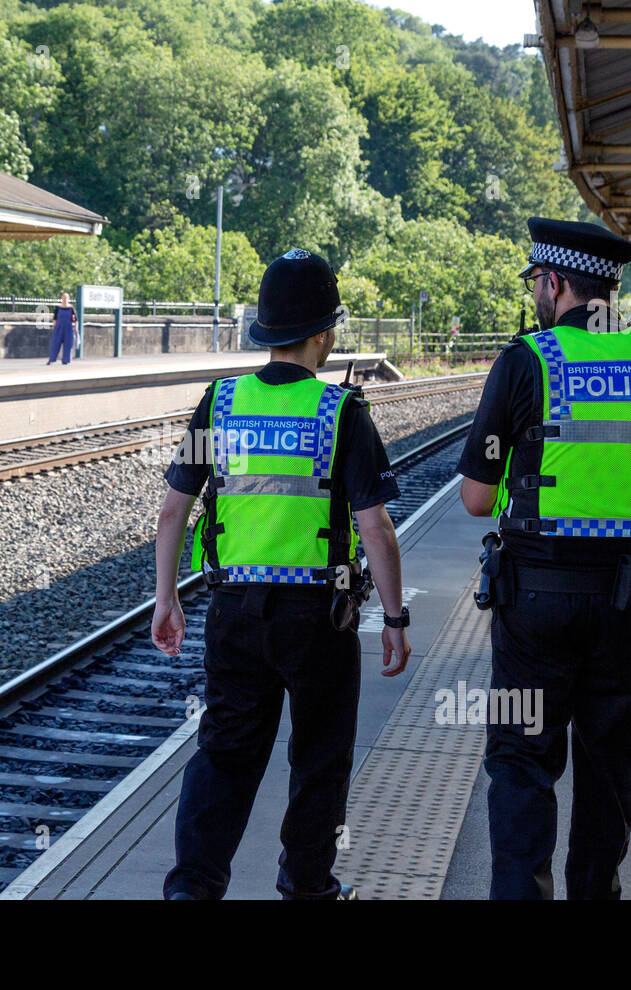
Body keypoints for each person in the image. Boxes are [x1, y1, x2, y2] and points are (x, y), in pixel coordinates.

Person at [151, 249, 410, 900]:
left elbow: (172, 509)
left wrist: (165, 599)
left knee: (225, 752)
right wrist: (396, 617)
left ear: (265, 331)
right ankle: (306, 887)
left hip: (235, 609)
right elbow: (376, 529)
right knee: (319, 758)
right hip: (324, 613)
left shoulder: (222, 402)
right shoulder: (341, 414)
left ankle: (191, 890)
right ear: (324, 334)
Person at [458, 218, 631, 899]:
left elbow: (478, 500)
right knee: (608, 765)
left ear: (557, 283)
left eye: (539, 282)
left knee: (521, 763)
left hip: (536, 599)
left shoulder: (527, 360)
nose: (538, 293)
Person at [47, 292, 75, 365]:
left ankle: (66, 360)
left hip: (68, 328)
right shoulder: (57, 308)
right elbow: (54, 319)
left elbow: (75, 319)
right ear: (61, 298)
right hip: (58, 328)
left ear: (68, 299)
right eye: (63, 297)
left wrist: (76, 328)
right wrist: (54, 327)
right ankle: (52, 359)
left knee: (68, 344)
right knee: (55, 344)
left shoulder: (71, 308)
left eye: (66, 298)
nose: (65, 299)